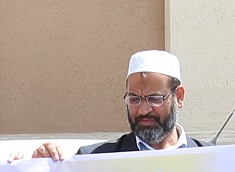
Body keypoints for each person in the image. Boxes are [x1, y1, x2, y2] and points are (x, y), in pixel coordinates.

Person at [33, 49, 204, 159]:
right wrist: (40, 168)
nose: (143, 110)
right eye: (134, 99)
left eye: (154, 99)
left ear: (179, 97)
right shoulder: (94, 159)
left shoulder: (210, 159)